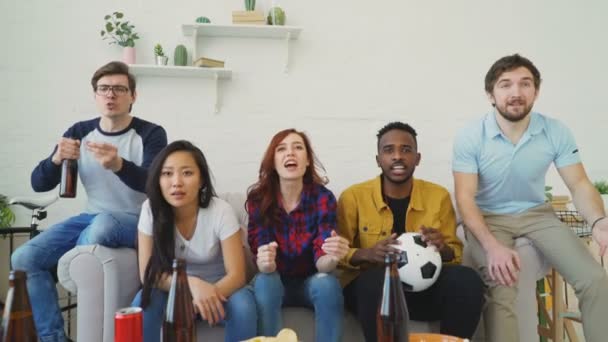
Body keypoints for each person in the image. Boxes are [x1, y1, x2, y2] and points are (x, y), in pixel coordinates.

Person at [453, 54, 608, 342]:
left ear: (536, 91)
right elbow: (464, 198)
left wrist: (599, 221)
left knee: (595, 279)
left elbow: (580, 184)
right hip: (489, 216)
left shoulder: (555, 131)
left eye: (525, 84)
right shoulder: (471, 135)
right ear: (491, 94)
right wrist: (490, 246)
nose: (516, 93)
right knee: (502, 284)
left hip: (537, 214)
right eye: (505, 84)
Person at [11, 61, 167, 342]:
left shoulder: (151, 133)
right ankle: (54, 338)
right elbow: (38, 183)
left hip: (138, 219)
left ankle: (64, 265)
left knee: (104, 226)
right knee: (23, 258)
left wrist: (119, 164)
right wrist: (56, 159)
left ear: (133, 96)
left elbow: (154, 186)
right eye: (104, 89)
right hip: (91, 217)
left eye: (119, 89)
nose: (111, 95)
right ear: (95, 95)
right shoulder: (79, 131)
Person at [337, 122, 484, 341]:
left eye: (406, 150)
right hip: (374, 293)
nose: (398, 156)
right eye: (389, 150)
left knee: (468, 280)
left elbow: (455, 254)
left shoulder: (438, 196)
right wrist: (367, 254)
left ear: (417, 158)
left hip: (423, 292)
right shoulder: (353, 197)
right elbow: (338, 253)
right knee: (374, 281)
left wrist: (441, 248)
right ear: (378, 159)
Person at [131, 140, 257, 342]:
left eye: (187, 173)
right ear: (158, 180)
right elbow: (149, 275)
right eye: (167, 173)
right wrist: (192, 286)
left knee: (244, 305)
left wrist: (202, 299)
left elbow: (237, 276)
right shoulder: (150, 210)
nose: (177, 182)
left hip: (219, 288)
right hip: (172, 289)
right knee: (143, 302)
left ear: (201, 181)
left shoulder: (221, 211)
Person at [247, 129, 349, 342]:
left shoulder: (323, 198)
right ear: (273, 162)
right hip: (273, 278)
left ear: (308, 161)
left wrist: (331, 257)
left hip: (309, 281)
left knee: (327, 283)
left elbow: (322, 263)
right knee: (266, 281)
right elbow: (264, 261)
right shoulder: (259, 198)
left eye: (298, 147)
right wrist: (265, 262)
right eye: (281, 149)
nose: (290, 153)